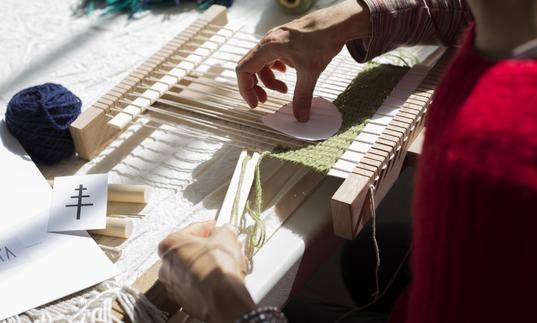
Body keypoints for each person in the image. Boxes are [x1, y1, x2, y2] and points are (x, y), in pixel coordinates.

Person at [158, 0, 537, 322]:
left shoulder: (498, 159)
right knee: (362, 259)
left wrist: (223, 301)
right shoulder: (512, 27)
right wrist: (356, 15)